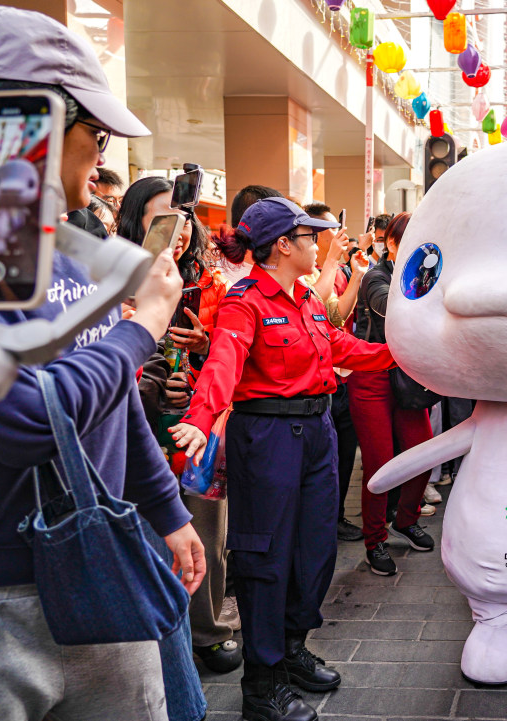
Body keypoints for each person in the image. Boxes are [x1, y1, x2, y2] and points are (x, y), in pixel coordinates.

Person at [0, 7, 205, 720]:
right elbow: (23, 419)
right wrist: (142, 328)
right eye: (95, 136)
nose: (102, 162)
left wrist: (166, 509)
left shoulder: (67, 249)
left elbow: (114, 404)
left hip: (98, 568)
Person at [171, 197, 394, 721]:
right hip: (268, 437)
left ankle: (291, 649)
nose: (318, 244)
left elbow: (340, 346)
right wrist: (201, 420)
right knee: (264, 558)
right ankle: (261, 683)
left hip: (316, 433)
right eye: (310, 236)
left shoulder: (305, 299)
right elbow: (223, 362)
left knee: (316, 550)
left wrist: (401, 352)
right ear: (283, 245)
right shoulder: (243, 301)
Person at [117, 176, 241, 675]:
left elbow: (231, 355)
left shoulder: (209, 284)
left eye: (184, 216)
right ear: (135, 222)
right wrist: (151, 383)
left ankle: (208, 630)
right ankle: (157, 636)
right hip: (137, 431)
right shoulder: (116, 281)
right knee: (150, 534)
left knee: (206, 531)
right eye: (163, 215)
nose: (180, 227)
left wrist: (203, 354)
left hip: (201, 430)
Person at [348, 212, 436, 576]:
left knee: (423, 451)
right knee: (380, 463)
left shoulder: (428, 275)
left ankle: (406, 519)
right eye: (409, 240)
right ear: (393, 244)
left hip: (408, 376)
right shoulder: (376, 276)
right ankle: (375, 540)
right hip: (371, 376)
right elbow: (393, 310)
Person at [302, 201, 366, 542]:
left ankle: (336, 517)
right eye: (328, 229)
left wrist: (354, 273)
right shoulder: (304, 272)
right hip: (318, 382)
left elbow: (338, 316)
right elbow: (314, 307)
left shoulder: (333, 270)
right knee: (323, 462)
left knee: (343, 457)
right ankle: (321, 523)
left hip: (342, 375)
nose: (336, 234)